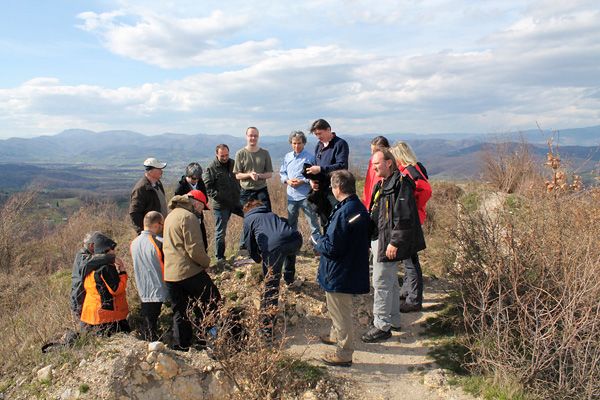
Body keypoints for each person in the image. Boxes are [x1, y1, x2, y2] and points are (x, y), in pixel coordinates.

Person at [361, 149, 426, 343]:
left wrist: (394, 242)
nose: (374, 168)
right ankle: (394, 320)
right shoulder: (382, 184)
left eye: (377, 164)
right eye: (372, 165)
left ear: (389, 163)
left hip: (387, 242)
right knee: (389, 281)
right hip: (378, 238)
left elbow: (404, 216)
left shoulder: (400, 184)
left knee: (381, 282)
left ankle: (381, 325)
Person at [312, 170, 370, 367]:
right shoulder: (355, 206)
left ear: (337, 188)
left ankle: (344, 353)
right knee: (337, 309)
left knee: (340, 312)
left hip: (339, 271)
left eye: (332, 186)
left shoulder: (346, 211)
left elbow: (332, 247)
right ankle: (334, 335)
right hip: (347, 267)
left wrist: (316, 240)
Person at [163, 189, 221, 351]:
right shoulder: (189, 217)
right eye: (202, 207)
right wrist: (206, 263)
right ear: (197, 203)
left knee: (180, 312)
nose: (202, 211)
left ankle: (181, 346)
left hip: (170, 275)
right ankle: (210, 340)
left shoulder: (171, 215)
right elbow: (194, 249)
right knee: (212, 301)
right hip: (188, 271)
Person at [242, 199, 303, 338]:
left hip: (273, 248)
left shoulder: (249, 219)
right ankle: (289, 278)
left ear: (248, 210)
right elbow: (285, 226)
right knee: (288, 252)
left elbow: (249, 245)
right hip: (296, 239)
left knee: (271, 287)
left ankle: (266, 330)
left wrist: (258, 259)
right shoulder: (271, 214)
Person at [389, 141, 432, 312]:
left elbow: (426, 190)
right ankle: (407, 290)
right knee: (407, 256)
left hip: (411, 220)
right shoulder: (414, 167)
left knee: (410, 260)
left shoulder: (410, 170)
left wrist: (414, 206)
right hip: (412, 218)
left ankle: (414, 300)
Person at [279, 130, 320, 278]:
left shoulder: (309, 157)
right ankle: (293, 248)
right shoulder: (287, 157)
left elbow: (313, 176)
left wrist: (302, 181)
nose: (296, 146)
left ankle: (318, 248)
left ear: (304, 143)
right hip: (291, 195)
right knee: (291, 224)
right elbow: (282, 173)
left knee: (313, 222)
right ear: (291, 143)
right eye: (294, 143)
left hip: (305, 195)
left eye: (299, 143)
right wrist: (288, 181)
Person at [80, 233, 130, 336]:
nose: (114, 251)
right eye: (112, 249)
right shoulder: (106, 267)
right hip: (108, 316)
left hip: (91, 316)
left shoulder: (89, 266)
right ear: (106, 250)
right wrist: (122, 272)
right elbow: (116, 289)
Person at [304, 119, 349, 228]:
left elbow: (342, 165)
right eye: (316, 134)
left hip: (336, 190)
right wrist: (311, 180)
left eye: (320, 133)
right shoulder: (319, 146)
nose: (318, 136)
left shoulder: (340, 144)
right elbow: (316, 164)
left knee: (337, 221)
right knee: (325, 223)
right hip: (321, 191)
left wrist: (320, 169)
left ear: (328, 130)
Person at [130, 211, 167, 341]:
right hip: (160, 287)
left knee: (149, 327)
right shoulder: (159, 242)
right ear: (157, 224)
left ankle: (151, 349)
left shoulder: (133, 243)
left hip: (143, 290)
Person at [204, 144, 244, 263]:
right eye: (222, 156)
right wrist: (221, 197)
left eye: (227, 155)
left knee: (251, 217)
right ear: (217, 154)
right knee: (220, 232)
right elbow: (208, 188)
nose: (225, 157)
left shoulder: (233, 163)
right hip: (221, 205)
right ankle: (220, 258)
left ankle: (243, 246)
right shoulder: (211, 168)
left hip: (237, 201)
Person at [234, 127, 274, 212]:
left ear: (258, 137)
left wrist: (259, 176)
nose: (253, 138)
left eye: (255, 136)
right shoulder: (240, 154)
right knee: (248, 218)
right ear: (246, 136)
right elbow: (237, 175)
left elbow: (269, 174)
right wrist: (249, 175)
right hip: (246, 191)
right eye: (251, 135)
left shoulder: (265, 153)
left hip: (262, 190)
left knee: (266, 216)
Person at [175, 162, 208, 252]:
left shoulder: (200, 183)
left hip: (199, 215)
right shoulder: (181, 187)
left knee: (202, 238)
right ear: (187, 176)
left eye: (198, 178)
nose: (196, 180)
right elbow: (177, 203)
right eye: (193, 178)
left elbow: (205, 198)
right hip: (186, 217)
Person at [129, 157, 168, 234]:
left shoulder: (158, 183)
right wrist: (143, 232)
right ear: (150, 171)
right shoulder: (141, 189)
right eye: (159, 169)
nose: (161, 171)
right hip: (151, 233)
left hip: (160, 229)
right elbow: (134, 213)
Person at [362, 136, 390, 210]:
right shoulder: (372, 160)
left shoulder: (389, 163)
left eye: (376, 150)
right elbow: (368, 183)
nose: (372, 153)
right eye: (372, 150)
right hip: (369, 201)